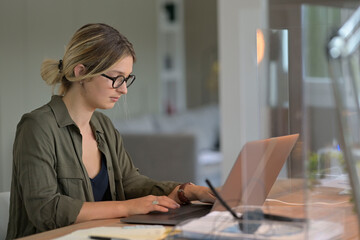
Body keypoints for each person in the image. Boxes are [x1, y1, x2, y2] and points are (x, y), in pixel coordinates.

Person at [6, 23, 215, 239]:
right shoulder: (37, 127)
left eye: (126, 79)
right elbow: (45, 210)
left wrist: (186, 191)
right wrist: (127, 208)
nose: (123, 89)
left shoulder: (103, 126)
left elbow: (131, 183)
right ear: (82, 73)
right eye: (116, 78)